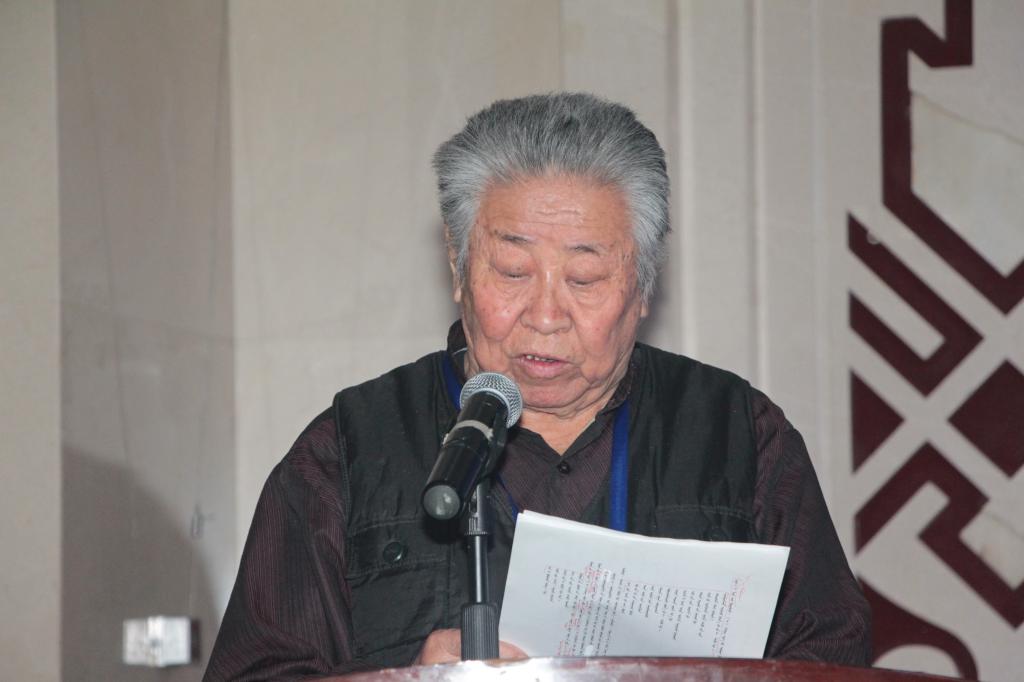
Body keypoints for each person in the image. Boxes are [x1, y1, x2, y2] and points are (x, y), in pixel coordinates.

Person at [205, 93, 871, 680]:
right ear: (458, 266)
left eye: (585, 279)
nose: (546, 315)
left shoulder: (739, 437)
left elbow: (831, 661)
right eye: (512, 271)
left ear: (644, 287)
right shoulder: (347, 451)